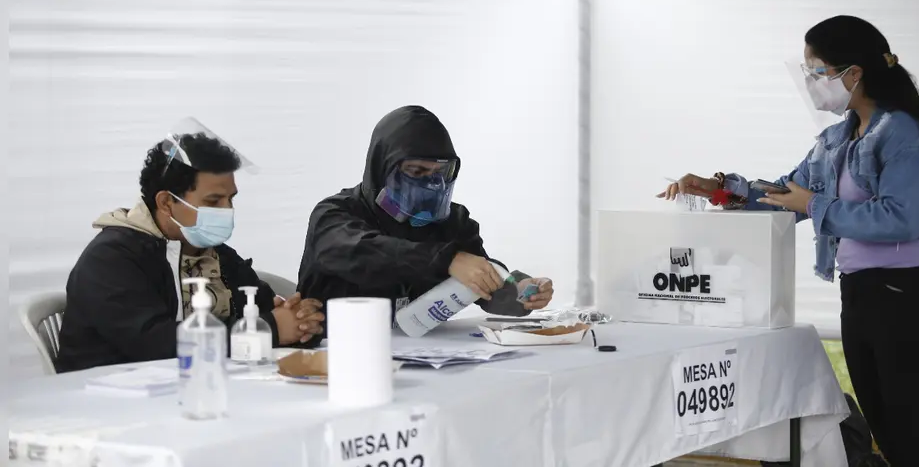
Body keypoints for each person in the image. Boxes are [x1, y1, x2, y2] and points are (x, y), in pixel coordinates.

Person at [661, 15, 919, 467]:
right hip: (863, 296)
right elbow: (788, 193)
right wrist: (719, 188)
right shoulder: (837, 139)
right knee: (893, 438)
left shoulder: (912, 136)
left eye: (817, 70)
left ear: (854, 73)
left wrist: (814, 206)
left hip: (916, 300)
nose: (810, 81)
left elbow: (903, 219)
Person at [57, 120, 324, 373]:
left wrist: (301, 322)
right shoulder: (112, 259)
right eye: (213, 201)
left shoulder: (216, 254)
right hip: (105, 402)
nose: (227, 210)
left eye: (230, 199)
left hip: (195, 389)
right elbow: (154, 343)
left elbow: (267, 310)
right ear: (165, 202)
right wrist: (270, 328)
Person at [297, 106, 554, 328]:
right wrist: (447, 260)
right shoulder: (334, 216)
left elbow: (479, 284)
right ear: (382, 167)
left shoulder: (453, 222)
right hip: (337, 355)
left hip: (422, 358)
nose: (432, 184)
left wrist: (516, 291)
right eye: (416, 171)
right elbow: (365, 253)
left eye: (441, 172)